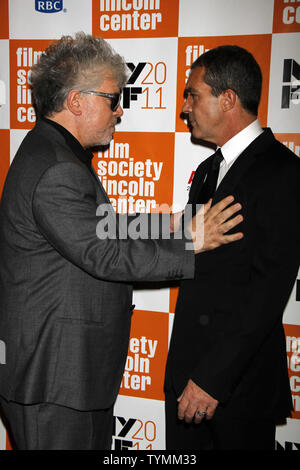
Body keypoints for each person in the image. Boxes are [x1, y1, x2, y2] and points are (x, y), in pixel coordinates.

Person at [0, 34, 243, 450]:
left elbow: (101, 226)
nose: (120, 112)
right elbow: (104, 252)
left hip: (69, 379)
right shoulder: (55, 167)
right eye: (113, 99)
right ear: (77, 101)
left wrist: (173, 225)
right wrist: (193, 242)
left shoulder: (57, 154)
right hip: (56, 381)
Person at [165, 45, 300, 450]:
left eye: (193, 94)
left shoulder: (283, 172)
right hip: (186, 380)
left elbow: (267, 293)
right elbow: (193, 255)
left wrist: (211, 380)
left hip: (236, 389)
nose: (184, 107)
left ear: (227, 99)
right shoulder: (207, 171)